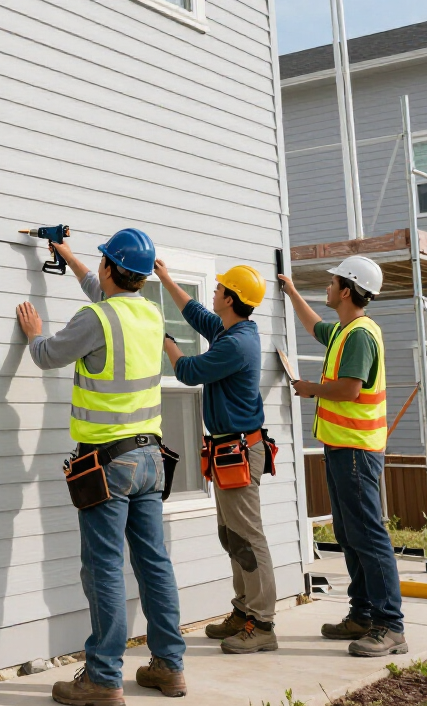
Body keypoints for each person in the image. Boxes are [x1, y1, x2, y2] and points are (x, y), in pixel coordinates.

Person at [16, 229, 187, 703]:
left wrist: (33, 333)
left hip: (109, 464)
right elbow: (105, 292)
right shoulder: (150, 314)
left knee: (105, 568)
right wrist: (67, 256)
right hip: (151, 458)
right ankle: (169, 667)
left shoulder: (96, 317)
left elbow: (49, 355)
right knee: (154, 563)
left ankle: (104, 679)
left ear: (111, 267)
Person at [279, 255, 407, 658]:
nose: (328, 287)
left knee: (368, 536)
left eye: (333, 282)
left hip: (356, 451)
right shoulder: (342, 331)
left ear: (347, 290)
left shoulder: (360, 336)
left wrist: (309, 388)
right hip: (341, 448)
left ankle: (390, 626)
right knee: (350, 535)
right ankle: (362, 614)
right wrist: (292, 292)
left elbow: (350, 390)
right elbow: (314, 326)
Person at [154, 260, 276, 653]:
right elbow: (197, 314)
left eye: (220, 288)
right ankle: (244, 612)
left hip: (240, 450)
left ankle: (263, 623)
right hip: (228, 450)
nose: (215, 291)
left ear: (232, 298)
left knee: (248, 537)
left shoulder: (237, 343)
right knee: (232, 535)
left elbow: (188, 371)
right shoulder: (231, 329)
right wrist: (167, 279)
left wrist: (164, 338)